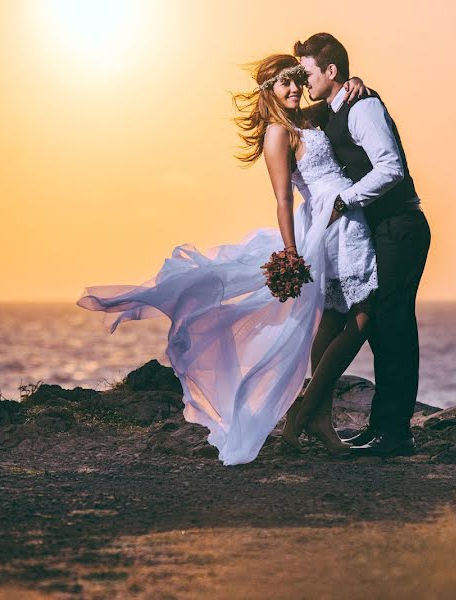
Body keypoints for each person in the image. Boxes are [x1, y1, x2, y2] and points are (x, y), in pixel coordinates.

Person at [77, 54, 376, 465]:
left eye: (295, 81)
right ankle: (308, 414)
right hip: (323, 226)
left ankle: (305, 420)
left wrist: (355, 79)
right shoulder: (277, 134)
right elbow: (283, 198)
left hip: (346, 220)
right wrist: (291, 255)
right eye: (283, 84)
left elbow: (336, 97)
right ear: (268, 92)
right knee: (354, 315)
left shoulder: (308, 119)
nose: (292, 88)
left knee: (332, 318)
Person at [295, 33, 431, 456]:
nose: (303, 81)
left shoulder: (364, 107)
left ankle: (395, 434)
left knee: (392, 326)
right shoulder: (335, 107)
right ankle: (383, 428)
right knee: (380, 329)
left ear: (331, 71)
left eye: (308, 72)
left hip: (400, 226)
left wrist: (344, 200)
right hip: (379, 230)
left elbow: (391, 167)